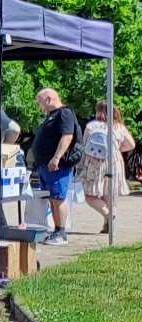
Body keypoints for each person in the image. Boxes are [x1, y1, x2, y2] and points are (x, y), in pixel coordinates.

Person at [29, 88, 79, 245]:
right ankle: (56, 231)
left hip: (57, 165)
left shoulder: (64, 113)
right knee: (52, 198)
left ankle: (61, 233)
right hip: (45, 165)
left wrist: (56, 158)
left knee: (58, 198)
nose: (40, 106)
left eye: (40, 102)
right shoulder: (52, 116)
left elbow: (67, 136)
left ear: (48, 99)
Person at [81, 100, 135, 234]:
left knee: (89, 195)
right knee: (108, 194)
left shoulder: (92, 126)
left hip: (95, 162)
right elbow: (131, 145)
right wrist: (116, 149)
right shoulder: (119, 127)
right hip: (114, 161)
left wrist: (80, 165)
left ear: (98, 111)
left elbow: (85, 145)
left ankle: (108, 215)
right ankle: (108, 224)